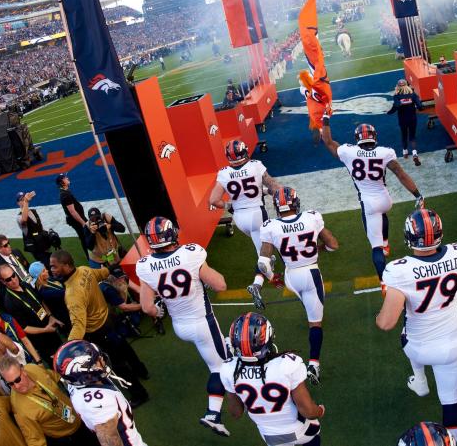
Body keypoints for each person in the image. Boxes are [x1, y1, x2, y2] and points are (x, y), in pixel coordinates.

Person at [376, 209, 457, 439]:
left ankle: (420, 380)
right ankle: (452, 442)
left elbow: (386, 323)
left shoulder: (398, 270)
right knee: (451, 401)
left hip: (419, 349)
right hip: (452, 348)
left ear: (409, 236)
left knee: (405, 330)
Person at [134, 216, 230, 436]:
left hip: (180, 327)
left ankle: (225, 350)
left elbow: (147, 306)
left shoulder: (145, 265)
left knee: (220, 349)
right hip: (202, 323)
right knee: (219, 367)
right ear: (172, 234)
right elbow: (220, 285)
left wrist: (159, 311)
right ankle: (213, 414)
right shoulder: (191, 254)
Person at [320, 116, 424, 282]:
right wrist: (417, 194)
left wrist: (325, 119)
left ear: (357, 138)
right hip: (385, 199)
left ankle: (385, 283)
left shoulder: (348, 151)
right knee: (382, 215)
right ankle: (386, 243)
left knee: (376, 249)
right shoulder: (385, 152)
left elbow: (327, 140)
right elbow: (401, 174)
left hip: (368, 203)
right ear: (374, 137)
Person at [257, 188, 338, 384]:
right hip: (310, 272)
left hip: (290, 275)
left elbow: (263, 262)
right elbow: (333, 245)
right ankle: (314, 365)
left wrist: (270, 277)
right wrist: (318, 248)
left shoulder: (270, 226)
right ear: (296, 203)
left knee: (308, 303)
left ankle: (310, 310)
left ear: (277, 206)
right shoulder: (311, 218)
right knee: (315, 324)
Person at [48, 251, 149, 405]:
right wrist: (112, 267)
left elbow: (78, 325)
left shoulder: (72, 294)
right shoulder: (84, 270)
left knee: (118, 365)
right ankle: (142, 371)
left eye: (54, 266)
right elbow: (102, 273)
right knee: (126, 349)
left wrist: (66, 350)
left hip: (99, 333)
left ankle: (139, 394)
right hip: (111, 321)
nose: (51, 269)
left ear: (67, 266)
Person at [221, 313, 324, 446]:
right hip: (303, 431)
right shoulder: (287, 363)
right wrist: (321, 410)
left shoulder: (229, 369)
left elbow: (236, 413)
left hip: (270, 436)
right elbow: (309, 411)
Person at [208, 139, 282, 309]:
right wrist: (282, 193)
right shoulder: (255, 165)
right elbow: (273, 186)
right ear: (245, 152)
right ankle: (263, 281)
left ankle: (266, 268)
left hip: (240, 218)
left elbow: (213, 200)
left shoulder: (224, 173)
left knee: (265, 247)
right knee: (264, 254)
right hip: (257, 213)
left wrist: (229, 206)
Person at [54, 340, 148, 446]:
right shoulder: (98, 403)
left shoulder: (75, 380)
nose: (102, 360)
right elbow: (110, 442)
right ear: (83, 371)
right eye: (96, 360)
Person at [0, 356, 99, 446]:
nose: (16, 386)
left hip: (81, 418)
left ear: (23, 370)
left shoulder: (33, 368)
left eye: (17, 380)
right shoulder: (19, 410)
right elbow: (34, 440)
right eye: (10, 384)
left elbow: (52, 376)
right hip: (67, 439)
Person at [0, 263, 64, 362]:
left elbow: (41, 301)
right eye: (8, 279)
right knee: (58, 365)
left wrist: (51, 316)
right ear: (3, 282)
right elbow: (25, 328)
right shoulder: (9, 302)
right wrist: (45, 329)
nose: (14, 280)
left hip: (51, 328)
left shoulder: (24, 284)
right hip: (42, 341)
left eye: (13, 275)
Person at [387, 79, 423, 165]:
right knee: (412, 137)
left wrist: (388, 112)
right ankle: (414, 153)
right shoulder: (413, 94)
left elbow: (395, 107)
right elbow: (420, 106)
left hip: (402, 119)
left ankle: (405, 152)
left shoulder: (397, 96)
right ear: (407, 85)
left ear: (398, 87)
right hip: (412, 118)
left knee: (404, 135)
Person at [16, 191, 56, 266]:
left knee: (53, 262)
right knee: (48, 266)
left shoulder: (34, 211)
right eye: (21, 200)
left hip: (44, 244)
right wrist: (26, 202)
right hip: (36, 248)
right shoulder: (19, 217)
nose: (23, 200)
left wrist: (48, 235)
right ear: (18, 203)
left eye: (24, 198)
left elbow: (39, 228)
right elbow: (24, 219)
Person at [57, 175, 88, 254]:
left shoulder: (66, 192)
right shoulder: (65, 195)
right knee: (85, 238)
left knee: (86, 237)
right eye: (64, 178)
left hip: (77, 219)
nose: (67, 178)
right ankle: (90, 257)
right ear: (62, 182)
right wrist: (83, 223)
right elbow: (72, 212)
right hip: (77, 221)